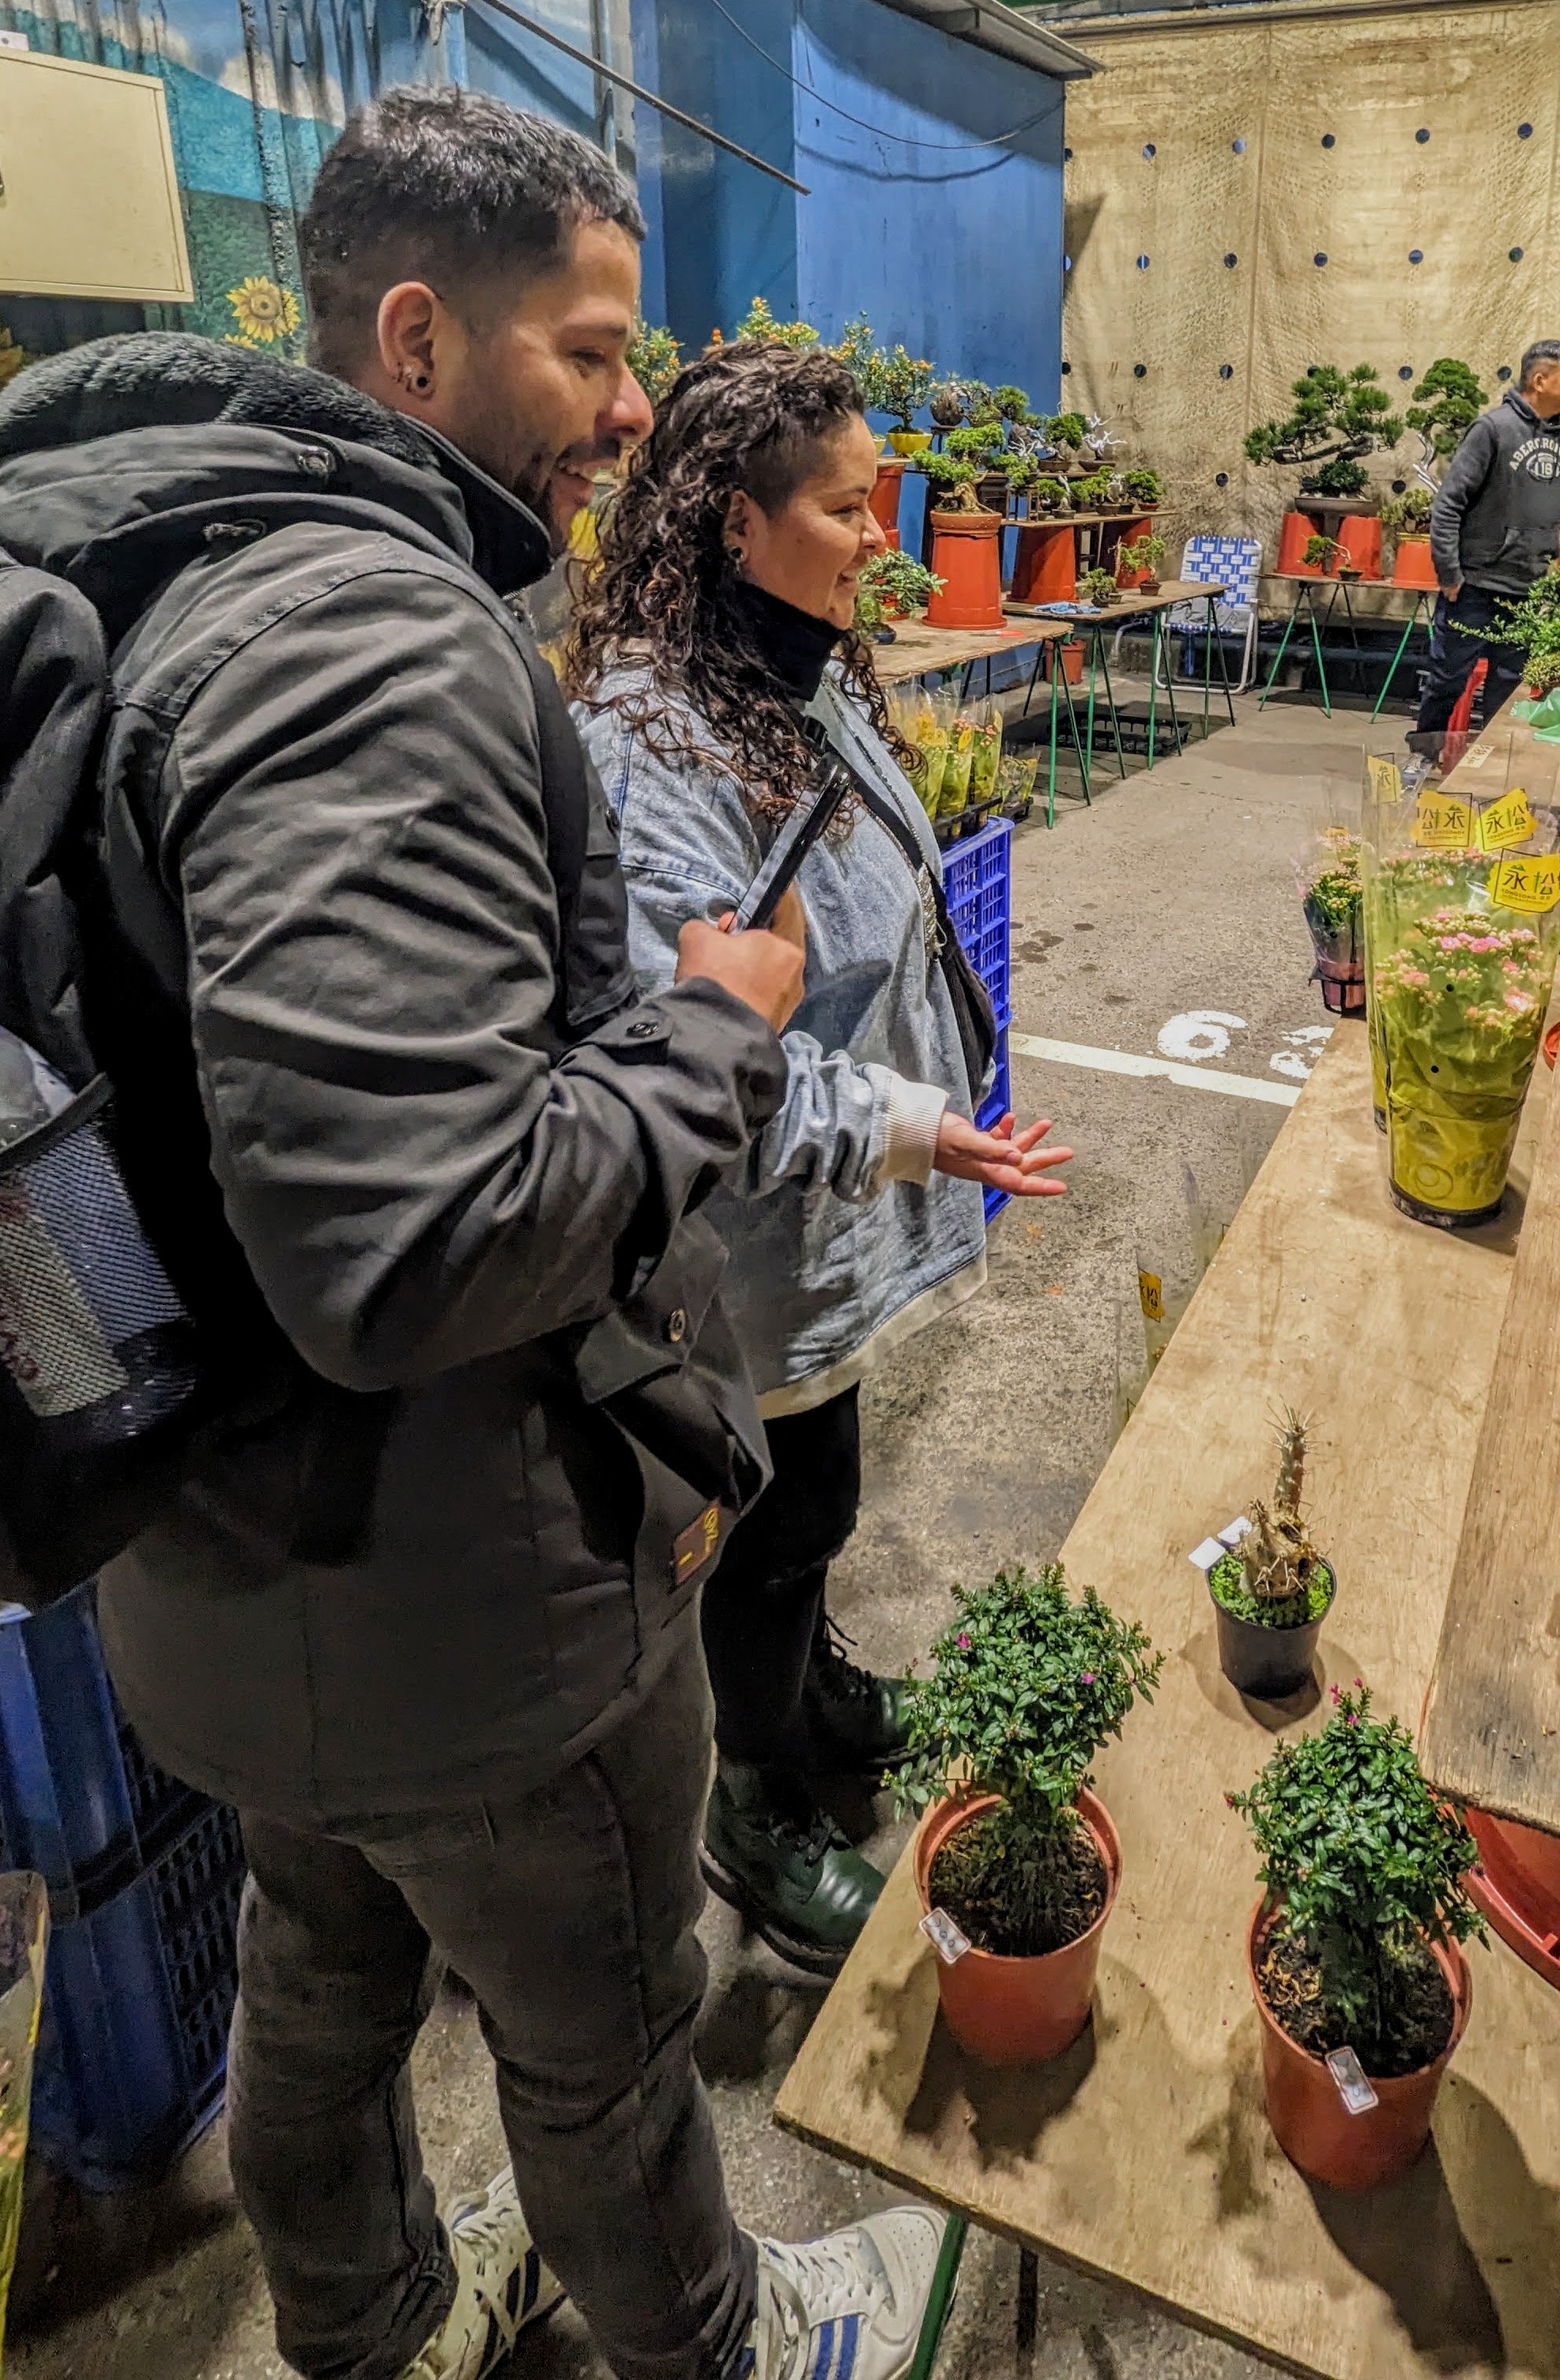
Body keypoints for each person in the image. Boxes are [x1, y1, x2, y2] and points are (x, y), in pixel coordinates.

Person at [0, 88, 946, 2380]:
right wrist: (708, 1031)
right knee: (604, 2028)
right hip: (463, 1594)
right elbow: (404, 1244)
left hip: (216, 1551)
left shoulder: (126, 567)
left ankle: (380, 2326)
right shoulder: (363, 640)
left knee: (318, 1977)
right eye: (592, 355)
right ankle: (731, 2341)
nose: (631, 408)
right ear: (416, 336)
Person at [561, 341, 1071, 1975]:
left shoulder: (800, 664)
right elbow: (711, 1061)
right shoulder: (657, 741)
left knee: (818, 1490)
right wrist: (920, 1126)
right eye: (848, 508)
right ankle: (759, 1804)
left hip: (828, 1223)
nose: (882, 539)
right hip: (749, 1236)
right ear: (733, 519)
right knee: (773, 1516)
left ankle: (817, 1690)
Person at [1414, 338, 1560, 737]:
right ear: (1540, 380)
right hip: (1474, 585)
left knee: (1509, 689)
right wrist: (1450, 573)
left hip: (1527, 587)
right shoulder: (1492, 429)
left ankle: (1488, 775)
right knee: (1447, 681)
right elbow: (1448, 505)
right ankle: (1421, 758)